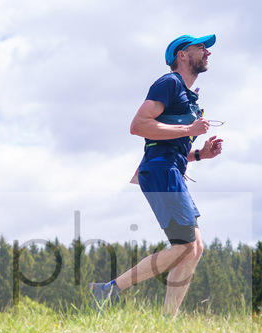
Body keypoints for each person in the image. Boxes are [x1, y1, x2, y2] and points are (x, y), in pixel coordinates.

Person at [90, 34, 224, 315]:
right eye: (201, 47)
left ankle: (167, 322)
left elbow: (169, 145)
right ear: (182, 55)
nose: (208, 52)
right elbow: (138, 125)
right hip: (161, 170)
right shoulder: (169, 83)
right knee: (186, 246)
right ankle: (108, 290)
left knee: (194, 248)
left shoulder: (188, 97)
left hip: (169, 168)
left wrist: (200, 154)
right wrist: (190, 129)